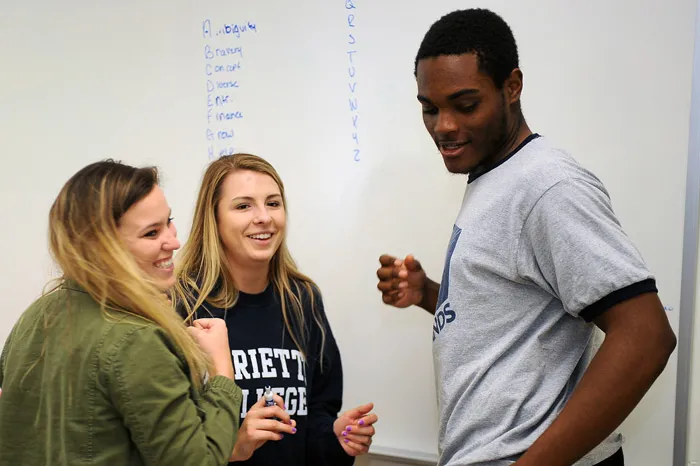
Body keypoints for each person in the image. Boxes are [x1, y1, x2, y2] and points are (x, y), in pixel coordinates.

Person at [376, 8, 677, 466]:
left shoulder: (546, 185)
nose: (444, 126)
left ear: (511, 86)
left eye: (466, 103)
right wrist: (428, 295)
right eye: (430, 108)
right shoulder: (493, 178)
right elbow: (513, 318)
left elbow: (646, 335)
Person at [0, 160, 243, 466]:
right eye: (151, 234)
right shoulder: (138, 340)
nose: (173, 241)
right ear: (102, 248)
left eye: (168, 221)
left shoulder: (36, 315)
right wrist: (222, 371)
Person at [174, 153, 378, 465]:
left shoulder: (303, 298)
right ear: (213, 219)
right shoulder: (182, 304)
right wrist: (236, 442)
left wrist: (336, 438)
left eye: (273, 203)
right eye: (243, 206)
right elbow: (167, 438)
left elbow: (318, 413)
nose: (264, 217)